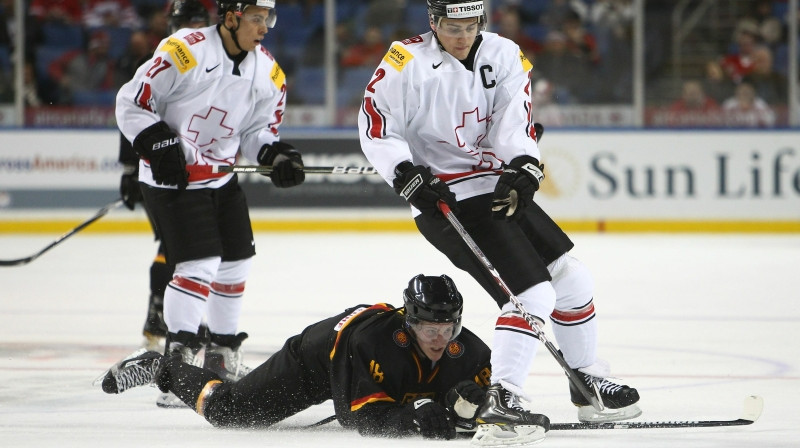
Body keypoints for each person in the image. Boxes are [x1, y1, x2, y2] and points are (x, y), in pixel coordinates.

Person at [358, 1, 640, 444]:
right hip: (448, 199)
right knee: (533, 294)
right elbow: (375, 123)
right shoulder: (404, 59)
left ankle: (586, 384)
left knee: (572, 279)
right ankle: (502, 399)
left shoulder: (505, 53)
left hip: (493, 185)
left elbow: (515, 121)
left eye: (470, 25)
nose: (461, 35)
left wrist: (523, 164)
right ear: (434, 23)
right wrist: (403, 172)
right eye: (452, 26)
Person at [115, 0, 305, 407]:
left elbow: (258, 131)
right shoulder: (185, 50)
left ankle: (221, 359)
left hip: (220, 180)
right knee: (198, 264)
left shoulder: (267, 70)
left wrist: (276, 156)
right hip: (174, 182)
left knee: (236, 262)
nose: (264, 27)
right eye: (256, 18)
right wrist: (157, 142)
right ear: (232, 17)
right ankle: (177, 367)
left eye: (267, 19)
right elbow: (131, 102)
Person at [99, 274, 524, 440]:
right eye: (429, 329)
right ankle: (163, 367)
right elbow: (360, 417)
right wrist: (414, 415)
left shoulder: (469, 349)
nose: (438, 338)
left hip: (357, 369)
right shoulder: (375, 345)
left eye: (447, 329)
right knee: (230, 412)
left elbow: (486, 398)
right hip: (315, 364)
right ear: (408, 323)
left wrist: (469, 399)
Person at [117, 0, 212, 354]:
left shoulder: (215, 65)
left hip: (198, 175)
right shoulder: (164, 61)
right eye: (188, 21)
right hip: (160, 174)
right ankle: (172, 323)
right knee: (178, 247)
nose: (193, 27)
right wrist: (131, 169)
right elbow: (133, 113)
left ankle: (170, 320)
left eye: (199, 21)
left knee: (185, 248)